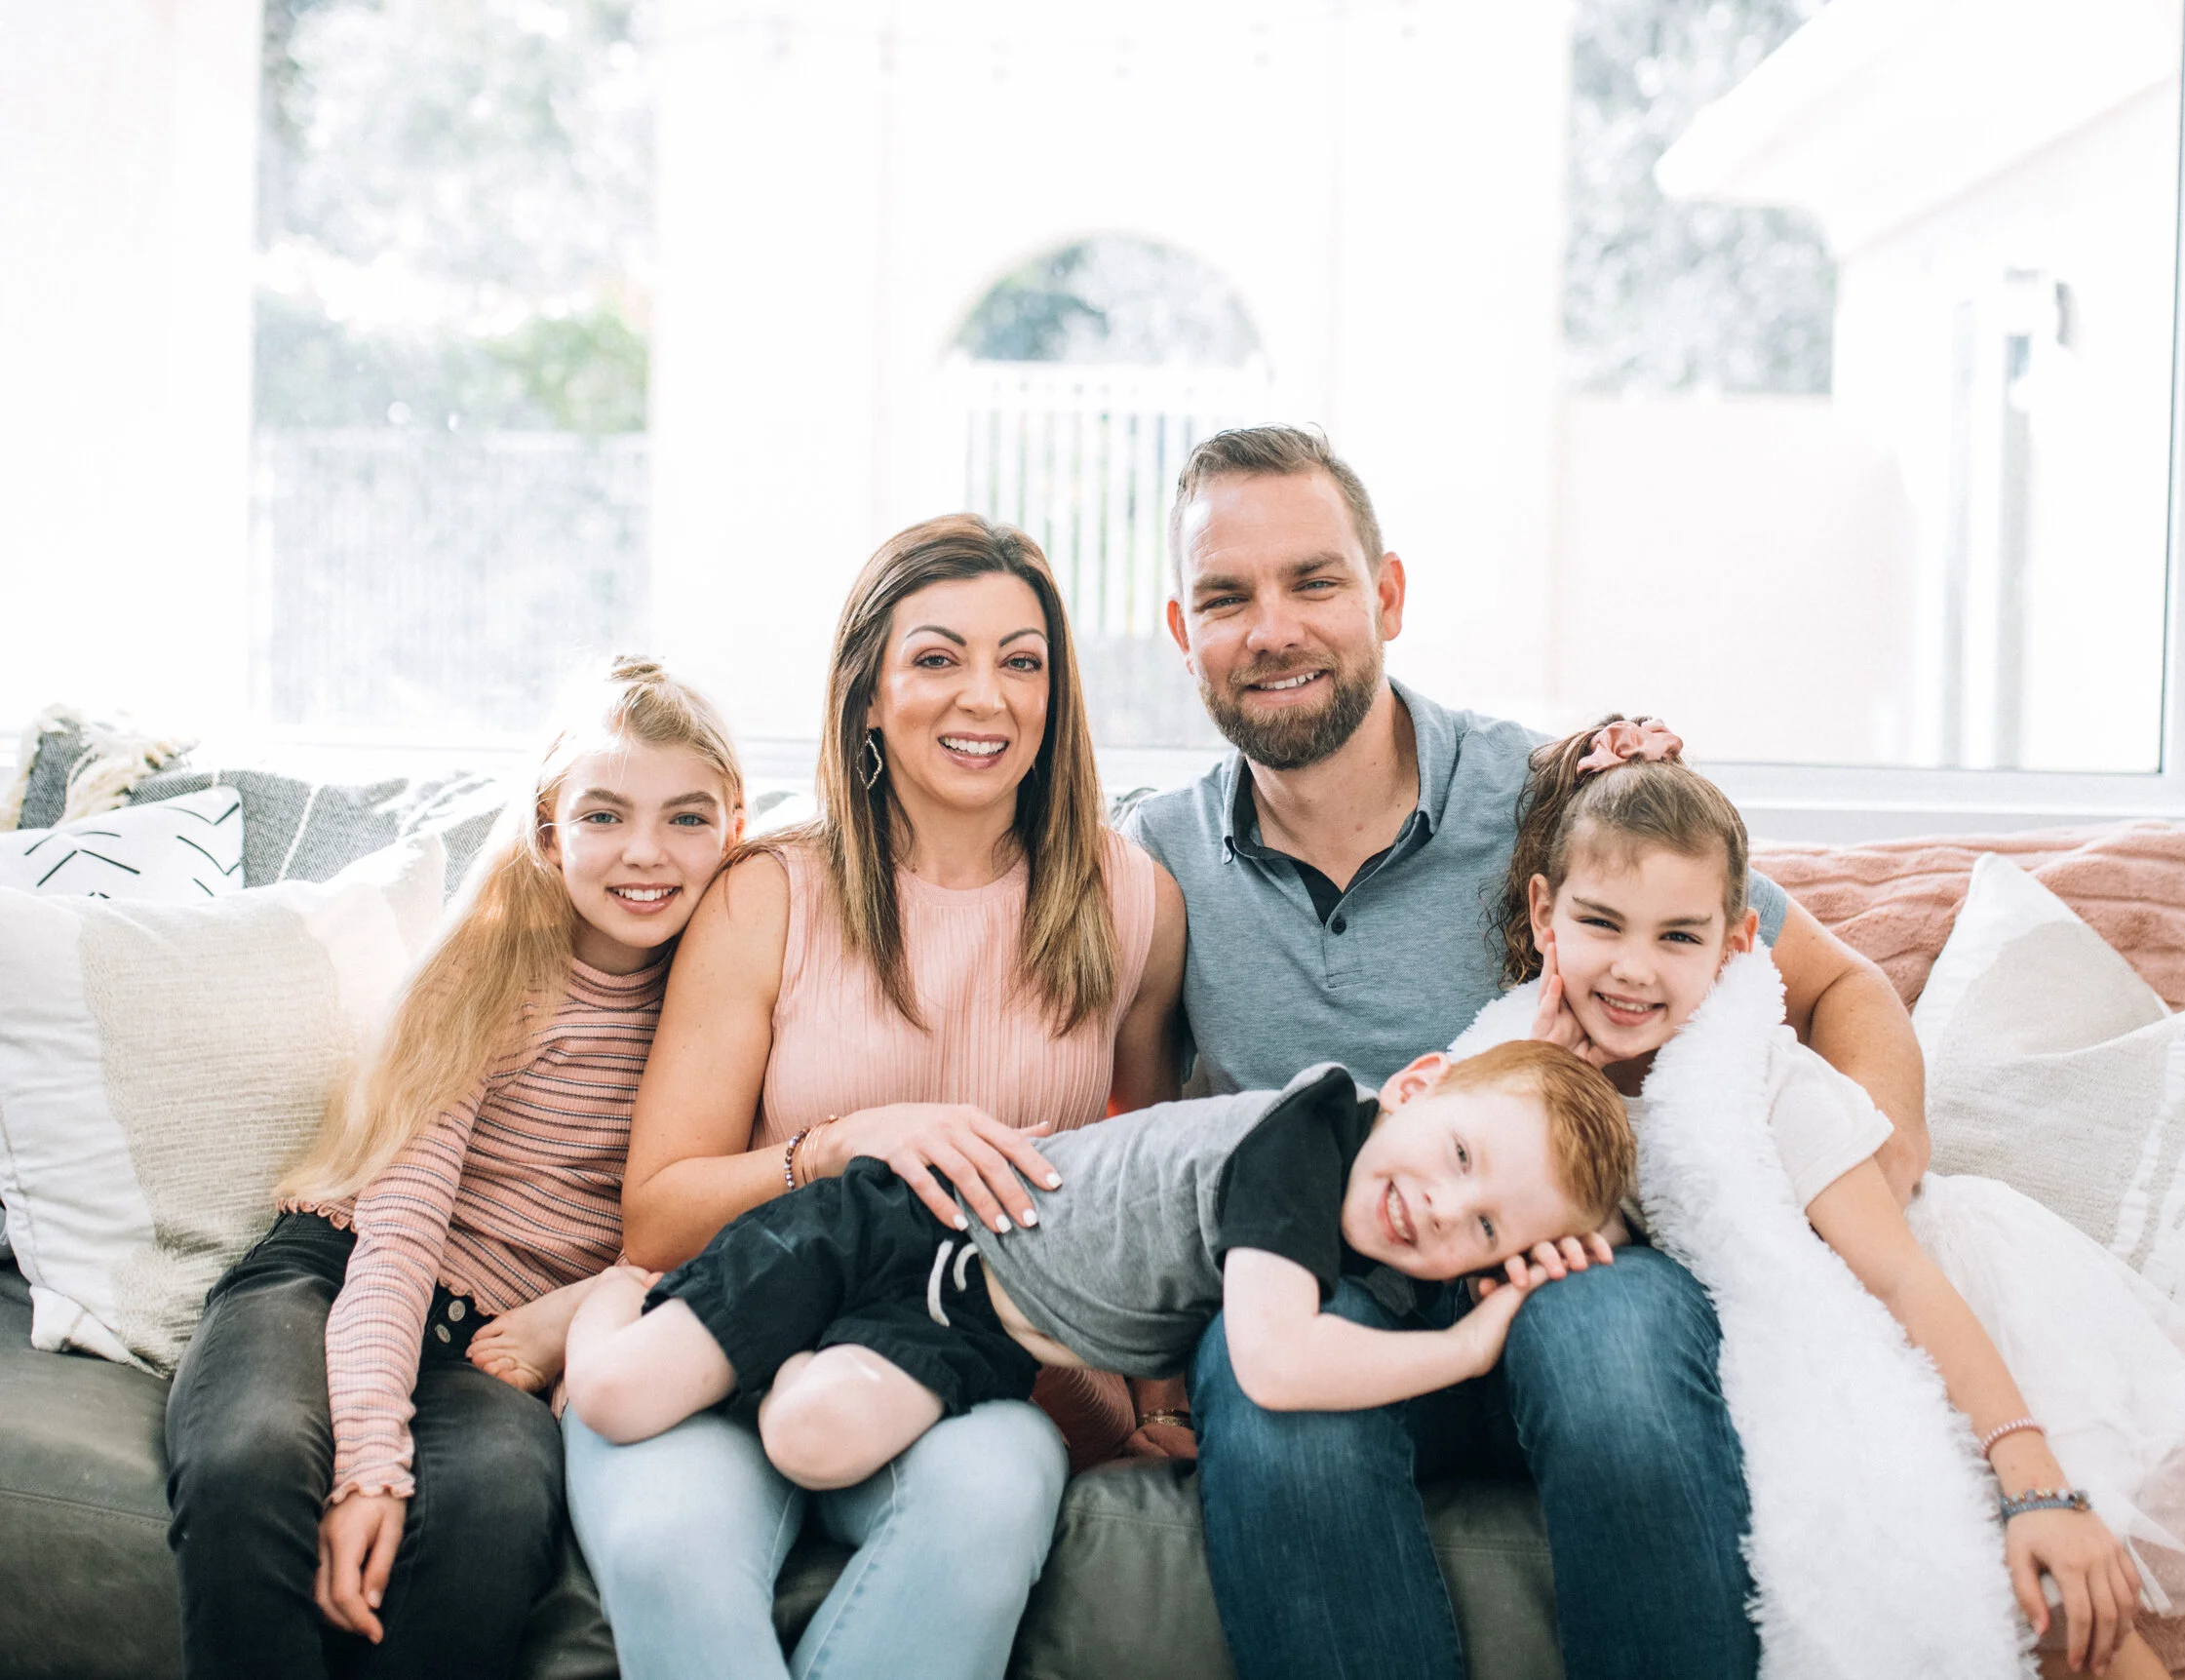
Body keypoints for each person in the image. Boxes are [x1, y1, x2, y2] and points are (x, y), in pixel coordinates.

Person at [1122, 425, 1930, 1680]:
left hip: (1574, 1274)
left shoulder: (1547, 798)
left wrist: (1879, 1181)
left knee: (1603, 1339)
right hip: (1328, 1283)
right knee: (1268, 1385)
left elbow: (1841, 987)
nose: (1272, 628)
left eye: (1314, 582)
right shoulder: (1155, 857)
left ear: (1385, 596)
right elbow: (1124, 1114)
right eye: (1227, 597)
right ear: (1185, 632)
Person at [1459, 721, 2185, 1679]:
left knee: (2055, 1602)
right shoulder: (1518, 1070)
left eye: (1678, 936)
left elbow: (1904, 1279)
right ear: (1545, 917)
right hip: (1765, 1356)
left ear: (1737, 943)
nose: (1631, 967)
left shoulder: (1763, 1084)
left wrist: (2035, 1483)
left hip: (1929, 1321)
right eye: (1602, 923)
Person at [566, 514, 1188, 1680]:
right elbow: (654, 1215)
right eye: (938, 657)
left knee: (985, 1515)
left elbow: (1142, 1182)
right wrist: (851, 1141)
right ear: (866, 694)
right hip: (724, 1323)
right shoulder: (770, 894)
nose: (985, 698)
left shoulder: (1134, 905)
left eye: (1022, 660)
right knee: (665, 1552)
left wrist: (1160, 1400)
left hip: (964, 1360)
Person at [160, 657, 748, 1680]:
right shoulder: (487, 967)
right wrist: (370, 1469)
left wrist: (588, 1304)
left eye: (685, 818)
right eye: (605, 815)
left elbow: (743, 1220)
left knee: (496, 1511)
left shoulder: (741, 995)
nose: (645, 853)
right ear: (549, 830)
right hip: (338, 1270)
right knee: (251, 1461)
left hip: (499, 1343)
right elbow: (399, 1236)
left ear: (735, 828)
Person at [563, 1042, 1631, 1481]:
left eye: (1487, 1227)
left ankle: (782, 1361)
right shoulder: (1310, 1135)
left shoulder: (1390, 1237)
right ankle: (619, 1298)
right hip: (908, 1220)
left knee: (814, 1440)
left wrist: (1575, 1248)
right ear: (1414, 1085)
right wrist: (1471, 1341)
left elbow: (1522, 1242)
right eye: (1456, 1155)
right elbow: (1275, 1365)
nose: (1442, 1209)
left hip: (971, 1329)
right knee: (613, 1398)